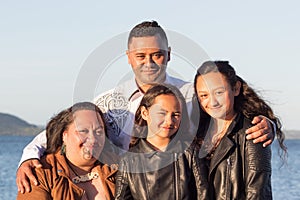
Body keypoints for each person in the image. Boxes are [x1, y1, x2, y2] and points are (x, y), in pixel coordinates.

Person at [16, 20, 274, 193]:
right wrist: (28, 157)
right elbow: (68, 128)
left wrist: (268, 124)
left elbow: (228, 111)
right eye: (140, 56)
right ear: (129, 58)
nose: (148, 62)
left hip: (185, 189)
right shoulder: (110, 101)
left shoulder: (191, 94)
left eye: (157, 55)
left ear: (169, 54)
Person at [193, 61, 287, 199]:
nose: (212, 102)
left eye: (219, 92)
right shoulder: (196, 133)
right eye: (204, 95)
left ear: (236, 88)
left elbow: (257, 194)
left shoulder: (252, 133)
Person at [115, 84, 203, 200]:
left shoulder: (189, 154)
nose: (169, 121)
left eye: (175, 115)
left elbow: (204, 194)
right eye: (162, 113)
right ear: (145, 113)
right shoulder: (130, 160)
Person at [17, 102, 117, 200]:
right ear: (64, 135)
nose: (93, 139)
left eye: (99, 132)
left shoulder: (117, 168)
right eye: (83, 131)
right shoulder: (42, 174)